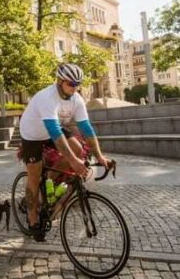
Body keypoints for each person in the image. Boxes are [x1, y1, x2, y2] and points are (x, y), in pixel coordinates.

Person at [18, 63, 111, 242]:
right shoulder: (48, 97)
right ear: (60, 81)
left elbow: (86, 128)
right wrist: (74, 162)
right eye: (71, 83)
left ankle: (51, 177)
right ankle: (32, 218)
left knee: (77, 148)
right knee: (34, 176)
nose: (75, 88)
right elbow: (55, 134)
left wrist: (99, 155)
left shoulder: (76, 99)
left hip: (53, 129)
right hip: (32, 132)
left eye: (78, 84)